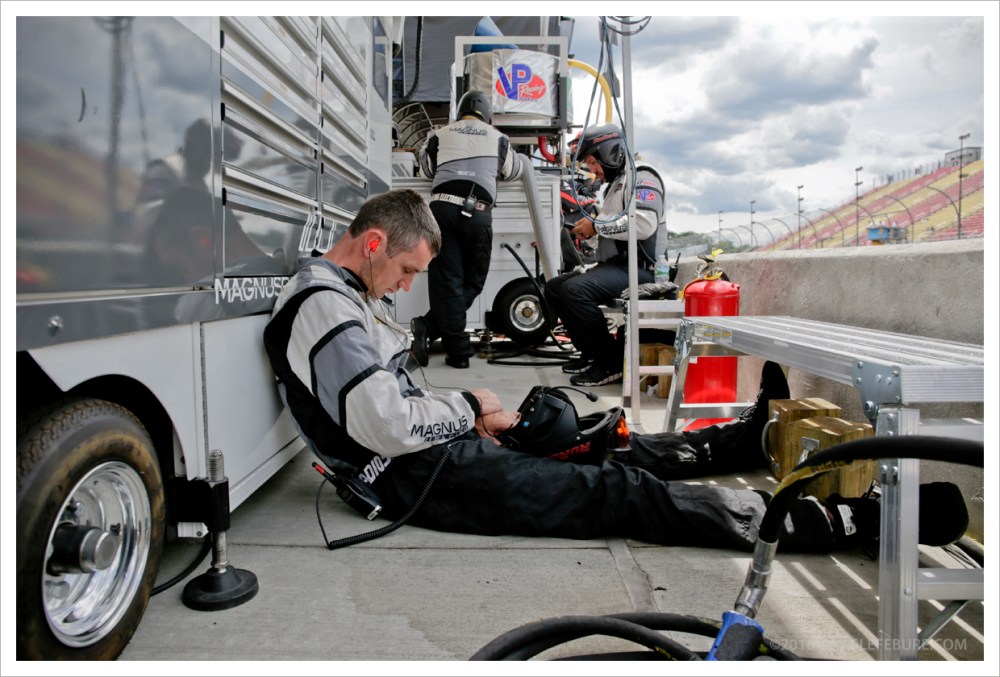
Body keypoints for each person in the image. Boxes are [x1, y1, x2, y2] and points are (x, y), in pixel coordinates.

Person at [263, 189, 968, 554]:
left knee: (597, 434)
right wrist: (469, 400)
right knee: (617, 491)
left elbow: (391, 404)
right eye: (407, 271)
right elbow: (384, 424)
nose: (402, 286)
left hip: (435, 449)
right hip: (413, 476)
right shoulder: (324, 304)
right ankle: (846, 523)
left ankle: (737, 443)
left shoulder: (345, 295)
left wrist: (469, 412)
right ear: (374, 241)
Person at [544, 122, 666, 387]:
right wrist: (592, 232)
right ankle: (591, 354)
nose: (594, 171)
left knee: (575, 291)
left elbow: (644, 224)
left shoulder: (643, 178)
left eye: (592, 163)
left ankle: (610, 363)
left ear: (608, 152)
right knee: (555, 288)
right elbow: (617, 226)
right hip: (616, 267)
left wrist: (597, 225)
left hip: (641, 269)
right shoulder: (615, 186)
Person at [409, 90, 523, 369]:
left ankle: (427, 326)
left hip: (442, 210)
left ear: (460, 112)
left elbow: (425, 170)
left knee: (447, 281)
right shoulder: (500, 139)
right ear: (487, 114)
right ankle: (457, 351)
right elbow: (513, 172)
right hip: (480, 213)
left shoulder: (438, 134)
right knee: (472, 282)